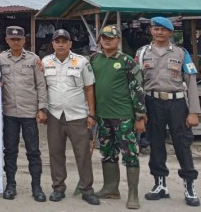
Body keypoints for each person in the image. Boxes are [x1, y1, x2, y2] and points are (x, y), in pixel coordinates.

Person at [137, 16, 200, 206]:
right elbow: (137, 83)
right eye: (156, 29)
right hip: (152, 102)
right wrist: (140, 111)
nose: (159, 32)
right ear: (151, 31)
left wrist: (194, 112)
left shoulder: (182, 53)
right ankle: (160, 185)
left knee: (182, 144)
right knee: (156, 144)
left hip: (177, 104)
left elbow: (190, 82)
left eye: (163, 30)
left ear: (171, 33)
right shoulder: (142, 53)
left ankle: (189, 186)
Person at [91, 25, 146, 209]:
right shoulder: (93, 60)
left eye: (111, 37)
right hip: (102, 116)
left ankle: (132, 194)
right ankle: (110, 187)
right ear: (99, 40)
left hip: (124, 116)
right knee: (107, 152)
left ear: (118, 40)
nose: (107, 40)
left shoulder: (127, 61)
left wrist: (139, 116)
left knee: (130, 154)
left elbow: (138, 89)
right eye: (104, 37)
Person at [42, 29, 99, 205]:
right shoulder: (44, 62)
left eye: (64, 41)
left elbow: (89, 88)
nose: (60, 44)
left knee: (82, 154)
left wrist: (91, 114)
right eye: (57, 41)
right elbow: (42, 88)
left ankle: (87, 189)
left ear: (70, 44)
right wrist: (42, 110)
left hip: (78, 115)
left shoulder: (82, 62)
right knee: (56, 153)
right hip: (54, 115)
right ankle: (58, 187)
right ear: (52, 44)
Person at [0, 25, 48, 202]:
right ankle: (11, 185)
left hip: (29, 113)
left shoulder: (34, 60)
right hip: (9, 112)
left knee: (33, 152)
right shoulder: (0, 59)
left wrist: (42, 108)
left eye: (19, 39)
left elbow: (41, 85)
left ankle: (37, 187)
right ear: (7, 40)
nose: (15, 41)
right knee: (10, 151)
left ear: (24, 40)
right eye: (12, 39)